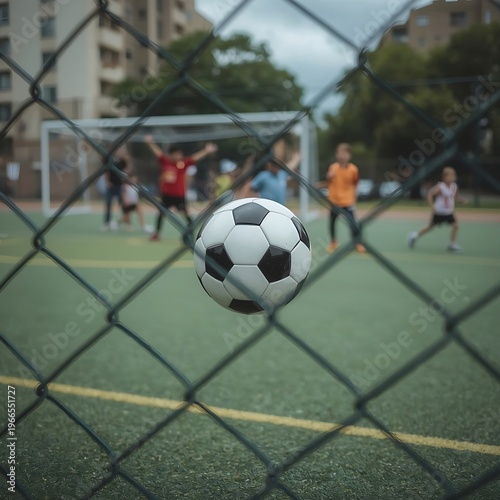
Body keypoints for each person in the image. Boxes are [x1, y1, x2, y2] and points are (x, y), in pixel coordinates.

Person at [144, 135, 217, 241]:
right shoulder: (166, 162)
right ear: (171, 155)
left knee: (186, 214)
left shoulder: (183, 163)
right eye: (175, 154)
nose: (178, 156)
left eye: (179, 154)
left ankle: (190, 233)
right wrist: (150, 142)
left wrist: (206, 150)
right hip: (167, 195)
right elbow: (158, 153)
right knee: (161, 213)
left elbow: (195, 158)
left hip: (179, 195)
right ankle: (157, 234)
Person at [408, 166, 466, 252]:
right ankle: (414, 236)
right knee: (430, 227)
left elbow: (455, 198)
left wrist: (461, 200)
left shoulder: (454, 186)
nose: (452, 177)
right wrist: (432, 207)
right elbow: (429, 195)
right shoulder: (440, 186)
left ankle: (452, 244)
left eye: (453, 175)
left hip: (448, 212)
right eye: (449, 175)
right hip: (439, 212)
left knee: (456, 225)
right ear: (444, 177)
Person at [326, 143, 365, 253]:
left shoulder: (353, 169)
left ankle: (357, 242)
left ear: (349, 155)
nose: (342, 156)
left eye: (345, 153)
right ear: (336, 155)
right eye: (340, 153)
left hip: (348, 201)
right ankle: (333, 242)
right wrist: (329, 177)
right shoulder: (332, 168)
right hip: (334, 202)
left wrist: (354, 198)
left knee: (353, 223)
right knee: (332, 223)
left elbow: (355, 184)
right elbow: (328, 181)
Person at [101, 153, 129, 231]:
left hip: (119, 186)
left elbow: (126, 169)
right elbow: (106, 171)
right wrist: (107, 181)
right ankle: (106, 223)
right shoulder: (109, 160)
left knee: (122, 204)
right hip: (111, 186)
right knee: (108, 203)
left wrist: (125, 183)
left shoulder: (122, 161)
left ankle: (127, 222)